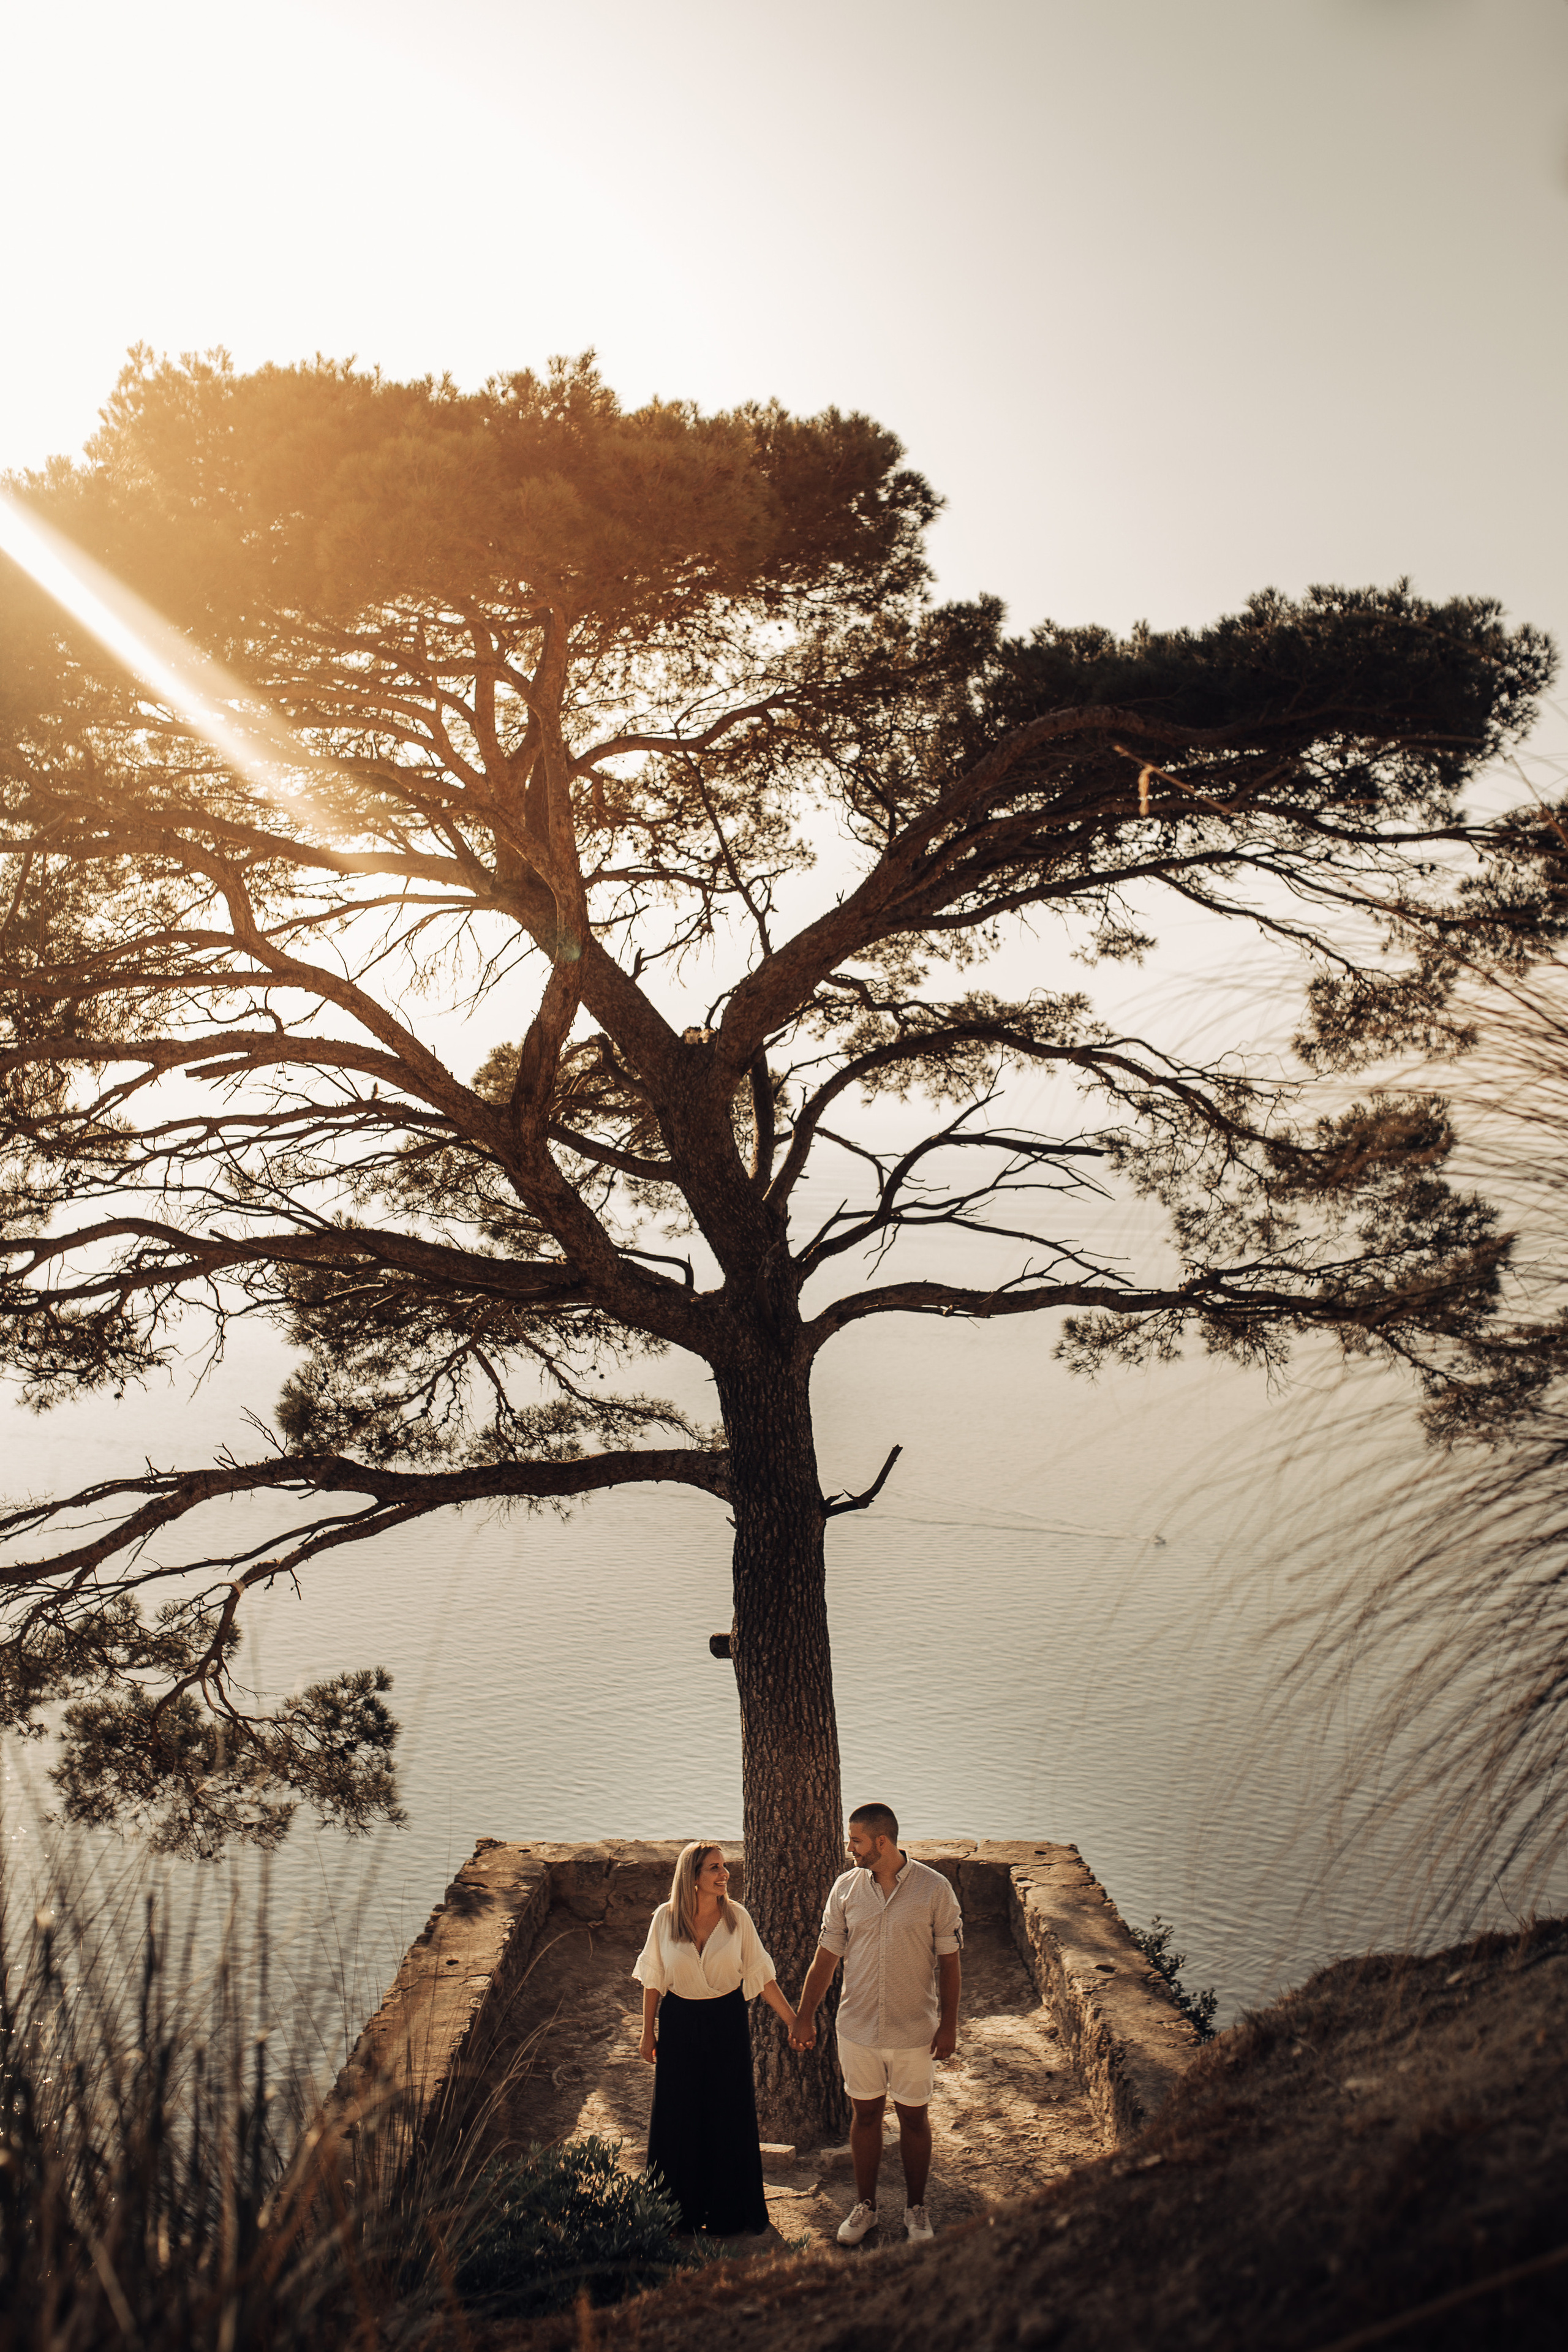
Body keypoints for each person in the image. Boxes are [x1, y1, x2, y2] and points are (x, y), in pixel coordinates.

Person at [790, 1803, 962, 2246]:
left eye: (856, 1841)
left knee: (914, 2119)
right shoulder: (845, 1888)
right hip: (858, 2028)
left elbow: (950, 1963)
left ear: (881, 1842)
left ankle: (916, 2209)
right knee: (865, 2116)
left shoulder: (935, 1889)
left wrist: (948, 2026)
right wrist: (805, 2016)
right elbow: (825, 1959)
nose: (850, 1848)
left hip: (915, 2030)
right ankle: (865, 2207)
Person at [634, 1841, 798, 2237]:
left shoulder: (737, 1918)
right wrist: (647, 2032)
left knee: (728, 2114)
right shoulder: (665, 1918)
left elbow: (761, 1975)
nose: (725, 1874)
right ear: (692, 1877)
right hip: (679, 2023)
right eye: (714, 1868)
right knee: (677, 2115)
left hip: (727, 2021)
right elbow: (654, 1978)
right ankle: (675, 2214)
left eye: (724, 1866)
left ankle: (729, 2215)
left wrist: (793, 2021)